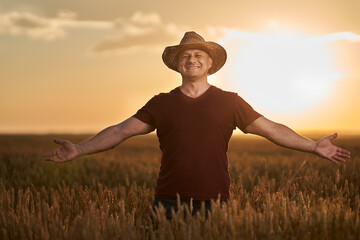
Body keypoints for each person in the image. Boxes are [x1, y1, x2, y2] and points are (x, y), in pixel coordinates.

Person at [44, 31, 351, 219]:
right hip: (166, 202)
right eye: (185, 55)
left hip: (215, 203)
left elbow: (271, 129)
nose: (191, 59)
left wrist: (313, 146)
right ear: (178, 64)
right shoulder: (160, 103)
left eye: (198, 54)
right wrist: (80, 149)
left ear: (209, 64)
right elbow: (120, 131)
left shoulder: (230, 102)